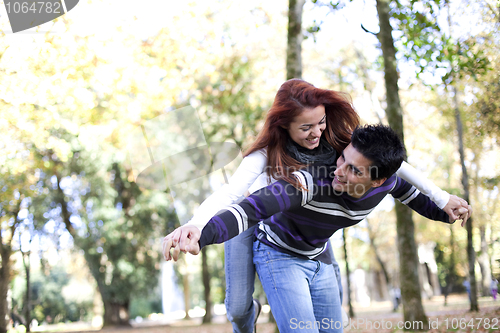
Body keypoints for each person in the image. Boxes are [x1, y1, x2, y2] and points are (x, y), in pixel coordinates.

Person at [163, 80, 469, 333]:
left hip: (308, 231)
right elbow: (237, 199)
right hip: (256, 218)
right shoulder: (273, 157)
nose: (317, 132)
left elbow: (399, 170)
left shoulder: (343, 145)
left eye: (320, 122)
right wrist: (197, 228)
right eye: (306, 127)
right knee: (239, 305)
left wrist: (443, 201)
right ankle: (246, 320)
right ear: (285, 125)